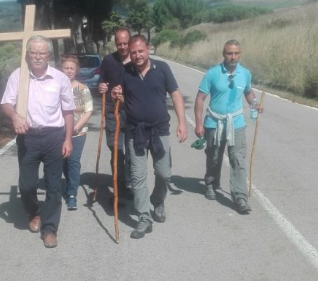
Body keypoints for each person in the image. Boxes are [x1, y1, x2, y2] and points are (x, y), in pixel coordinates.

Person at [0, 36, 74, 248]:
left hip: (54, 136)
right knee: (27, 184)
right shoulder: (18, 76)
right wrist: (14, 116)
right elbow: (6, 102)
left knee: (53, 186)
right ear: (27, 55)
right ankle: (35, 212)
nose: (38, 56)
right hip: (28, 137)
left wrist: (68, 139)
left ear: (49, 56)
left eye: (42, 53)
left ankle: (50, 229)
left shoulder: (60, 78)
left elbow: (68, 111)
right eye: (34, 52)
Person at [112, 35, 188, 239]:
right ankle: (144, 217)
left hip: (159, 129)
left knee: (164, 174)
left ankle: (158, 200)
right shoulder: (125, 71)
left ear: (148, 49)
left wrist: (182, 122)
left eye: (140, 51)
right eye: (133, 52)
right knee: (138, 177)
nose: (137, 55)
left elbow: (175, 94)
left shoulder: (162, 68)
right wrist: (116, 94)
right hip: (135, 131)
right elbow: (121, 95)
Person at [194, 39, 261, 215]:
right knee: (214, 157)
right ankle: (210, 181)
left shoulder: (245, 73)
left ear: (240, 54)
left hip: (236, 123)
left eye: (236, 53)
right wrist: (199, 123)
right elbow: (200, 98)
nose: (233, 57)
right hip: (214, 123)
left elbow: (247, 91)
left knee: (238, 159)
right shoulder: (212, 73)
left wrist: (254, 104)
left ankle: (240, 197)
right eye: (229, 53)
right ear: (224, 54)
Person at [98, 27, 132, 203]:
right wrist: (102, 87)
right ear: (116, 43)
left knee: (133, 152)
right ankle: (119, 189)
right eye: (119, 43)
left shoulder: (137, 60)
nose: (123, 46)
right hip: (113, 112)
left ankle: (131, 185)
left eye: (126, 43)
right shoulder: (108, 60)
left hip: (133, 113)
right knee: (117, 151)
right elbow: (101, 82)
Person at [61, 55, 93, 211]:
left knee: (73, 161)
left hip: (78, 133)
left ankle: (72, 194)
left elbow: (88, 110)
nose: (68, 71)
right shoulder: (56, 87)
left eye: (71, 68)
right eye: (66, 68)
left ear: (76, 70)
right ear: (62, 69)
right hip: (59, 133)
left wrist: (75, 127)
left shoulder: (83, 89)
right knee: (63, 162)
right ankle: (68, 184)